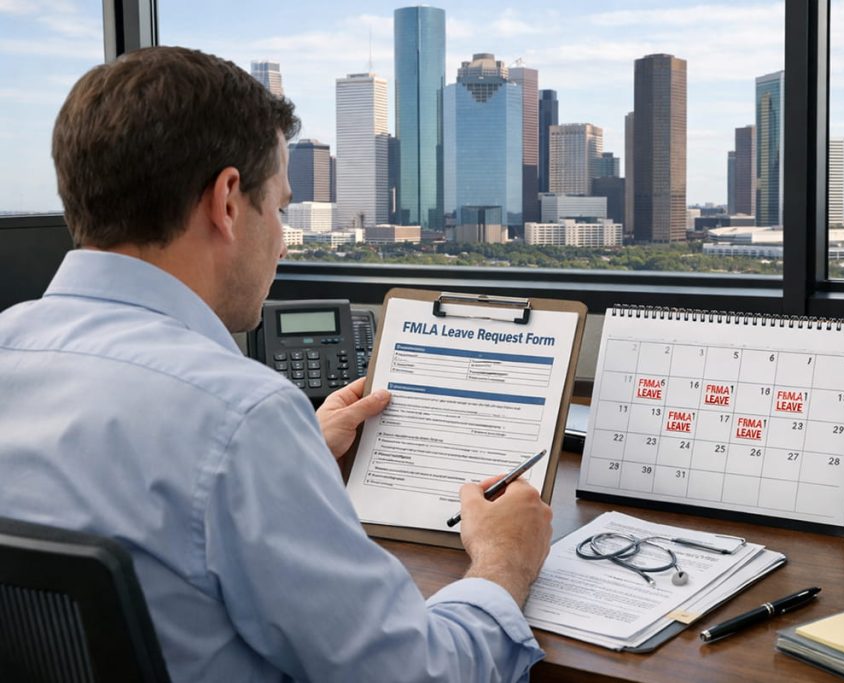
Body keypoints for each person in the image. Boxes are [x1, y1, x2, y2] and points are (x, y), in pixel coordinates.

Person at [0, 46, 552, 682]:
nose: (284, 237)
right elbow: (417, 675)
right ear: (228, 201)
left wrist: (300, 458)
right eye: (282, 206)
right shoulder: (240, 417)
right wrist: (504, 560)